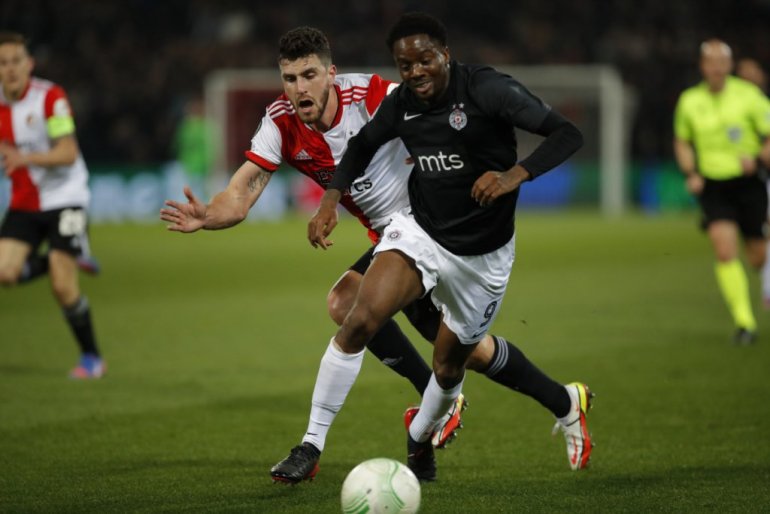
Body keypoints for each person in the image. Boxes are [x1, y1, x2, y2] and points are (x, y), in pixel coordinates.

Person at [161, 26, 593, 484]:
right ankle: (317, 442)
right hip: (404, 238)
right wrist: (211, 214)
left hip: (439, 224)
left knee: (461, 355)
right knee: (350, 306)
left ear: (331, 73)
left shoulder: (371, 96)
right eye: (289, 78)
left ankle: (558, 401)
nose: (300, 88)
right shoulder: (280, 123)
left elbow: (431, 114)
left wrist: (499, 168)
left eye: (309, 75)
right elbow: (241, 192)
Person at [0, 32, 105, 378]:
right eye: (3, 63)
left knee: (62, 285)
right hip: (25, 201)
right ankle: (72, 251)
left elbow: (68, 152)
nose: (10, 69)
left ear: (29, 64)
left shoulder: (50, 98)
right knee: (5, 274)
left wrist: (25, 158)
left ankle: (92, 357)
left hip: (66, 197)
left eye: (16, 61)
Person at [674, 40, 770, 344]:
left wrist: (757, 160)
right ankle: (745, 323)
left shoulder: (749, 96)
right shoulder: (690, 101)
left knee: (758, 256)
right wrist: (691, 172)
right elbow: (682, 141)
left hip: (749, 184)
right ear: (702, 66)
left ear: (730, 65)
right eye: (710, 62)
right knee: (724, 250)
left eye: (721, 62)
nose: (716, 68)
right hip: (714, 186)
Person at [735, 57, 770, 308]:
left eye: (752, 72)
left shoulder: (762, 103)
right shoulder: (731, 106)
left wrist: (757, 159)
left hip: (765, 175)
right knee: (756, 255)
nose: (747, 77)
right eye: (742, 73)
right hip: (747, 182)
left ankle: (768, 291)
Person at [172, 95, 218, 201]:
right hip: (194, 166)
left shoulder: (187, 126)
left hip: (198, 166)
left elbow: (177, 145)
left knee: (194, 194)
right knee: (200, 194)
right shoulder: (208, 126)